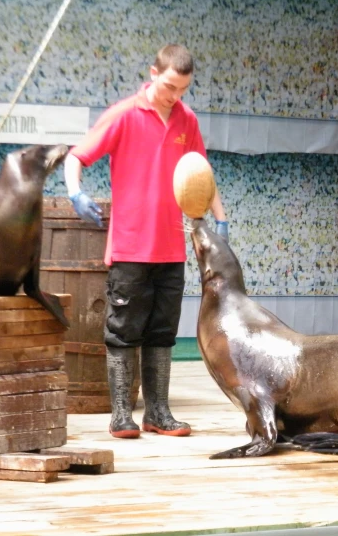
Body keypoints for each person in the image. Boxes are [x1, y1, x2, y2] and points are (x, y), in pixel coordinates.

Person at [63, 44, 228, 439]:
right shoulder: (124, 115)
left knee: (162, 331)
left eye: (183, 90)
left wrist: (221, 219)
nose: (175, 96)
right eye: (170, 85)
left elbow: (202, 174)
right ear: (153, 72)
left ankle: (159, 413)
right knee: (123, 330)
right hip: (130, 247)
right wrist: (75, 192)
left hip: (172, 248)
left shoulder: (187, 120)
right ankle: (122, 414)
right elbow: (76, 157)